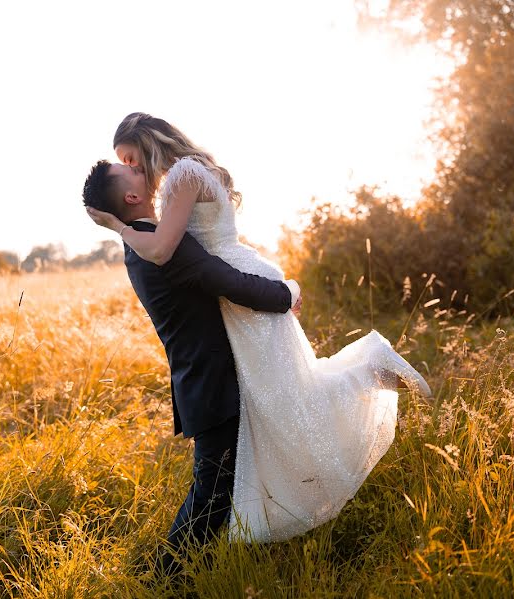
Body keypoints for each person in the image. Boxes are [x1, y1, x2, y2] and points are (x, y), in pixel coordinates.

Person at [86, 112, 432, 545]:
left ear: (148, 142)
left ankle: (368, 368)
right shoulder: (182, 179)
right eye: (125, 164)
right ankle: (367, 373)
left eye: (131, 158)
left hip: (238, 288)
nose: (134, 169)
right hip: (236, 290)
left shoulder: (180, 179)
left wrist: (115, 224)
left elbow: (164, 251)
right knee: (284, 401)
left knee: (289, 399)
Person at [82, 159, 301, 576]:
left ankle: (178, 570)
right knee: (212, 493)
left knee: (219, 487)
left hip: (204, 379)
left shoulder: (144, 241)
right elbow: (228, 282)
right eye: (126, 167)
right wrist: (285, 292)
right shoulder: (160, 247)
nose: (136, 166)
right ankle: (163, 578)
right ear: (131, 196)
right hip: (210, 383)